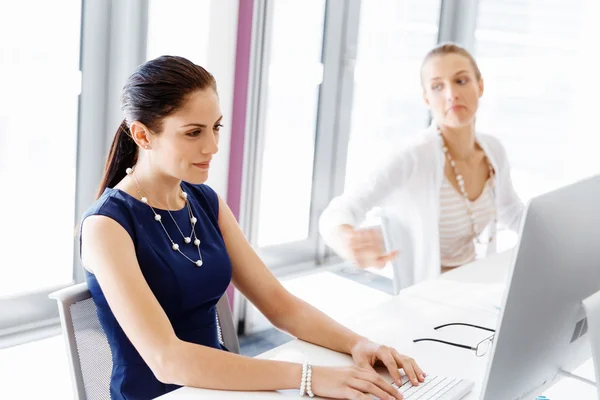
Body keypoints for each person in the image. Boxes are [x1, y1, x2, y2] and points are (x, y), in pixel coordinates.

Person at [79, 55, 424, 400]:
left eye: (216, 127)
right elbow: (167, 360)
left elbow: (280, 305)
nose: (212, 146)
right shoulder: (106, 226)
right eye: (193, 132)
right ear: (142, 135)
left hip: (220, 390)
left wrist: (360, 344)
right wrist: (308, 377)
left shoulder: (205, 202)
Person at [319, 42, 524, 285]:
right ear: (427, 98)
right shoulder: (412, 157)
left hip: (476, 287)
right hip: (427, 297)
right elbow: (339, 210)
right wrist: (347, 238)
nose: (451, 94)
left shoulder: (493, 151)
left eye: (461, 81)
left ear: (480, 86)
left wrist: (561, 237)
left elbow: (511, 211)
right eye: (438, 86)